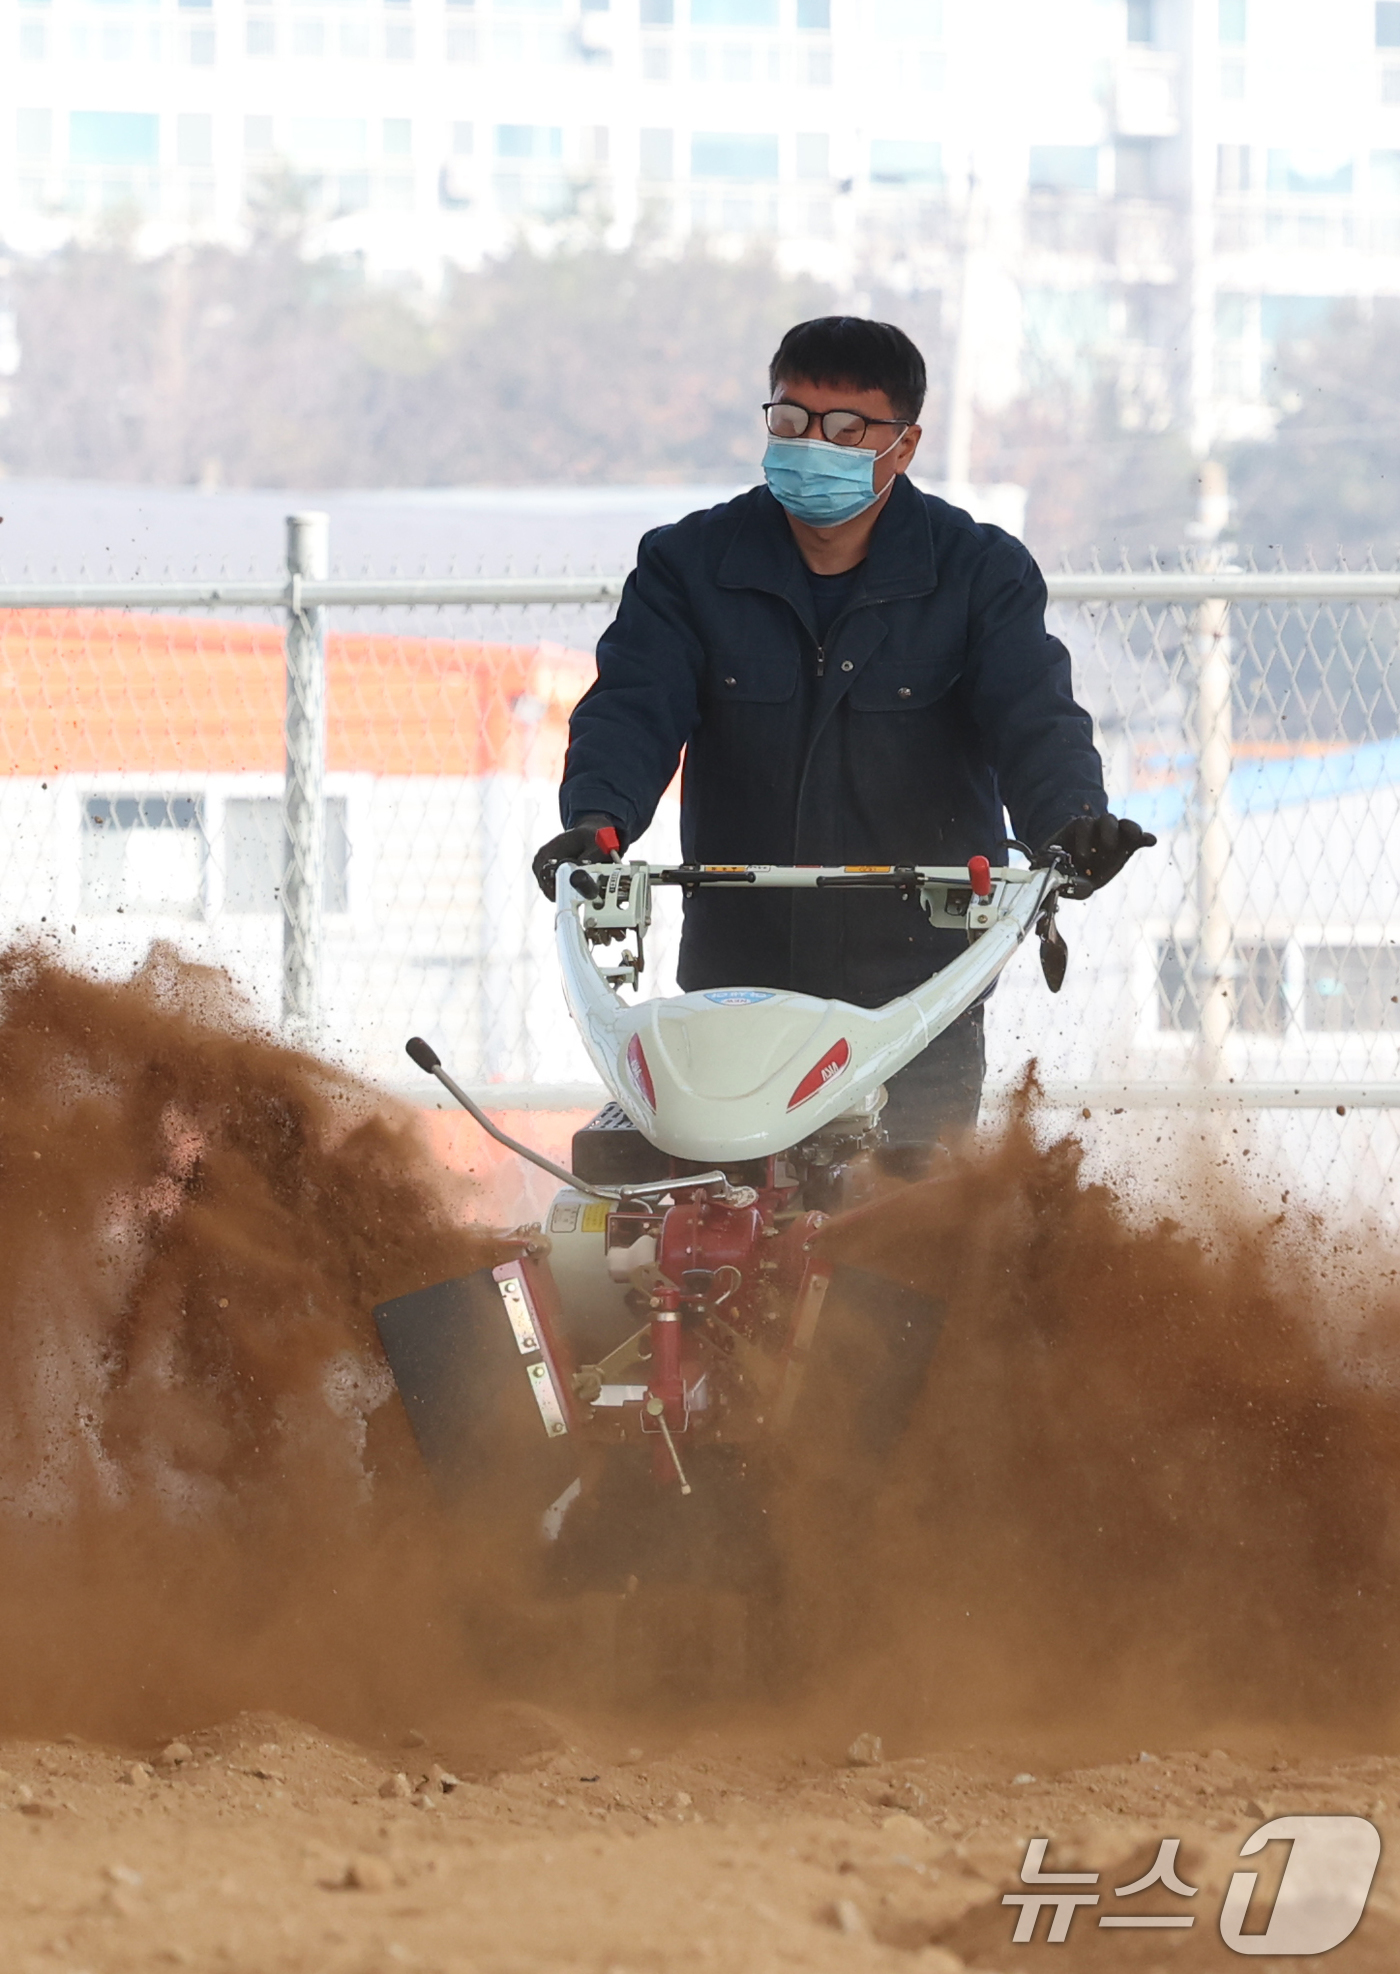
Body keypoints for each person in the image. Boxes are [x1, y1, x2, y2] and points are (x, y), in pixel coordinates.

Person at [533, 316, 1154, 1169]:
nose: (810, 445)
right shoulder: (690, 565)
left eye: (844, 429)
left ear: (903, 445)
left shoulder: (978, 574)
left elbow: (1035, 717)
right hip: (738, 982)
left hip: (913, 992)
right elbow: (633, 707)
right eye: (790, 421)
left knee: (905, 1242)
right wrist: (596, 822)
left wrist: (1074, 821)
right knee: (703, 1217)